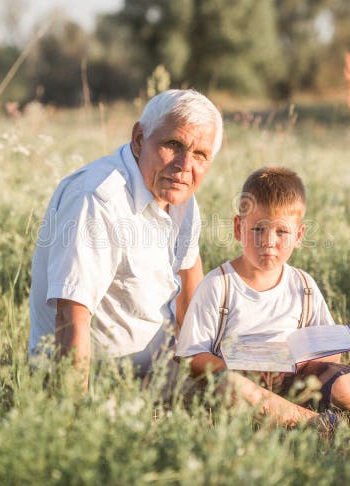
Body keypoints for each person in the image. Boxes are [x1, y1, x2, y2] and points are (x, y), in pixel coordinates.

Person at [176, 167, 350, 427]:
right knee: (232, 388)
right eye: (258, 229)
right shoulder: (219, 286)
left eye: (282, 232)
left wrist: (299, 364)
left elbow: (330, 355)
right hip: (245, 382)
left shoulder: (303, 285)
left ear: (299, 235)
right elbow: (191, 356)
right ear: (239, 228)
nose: (268, 242)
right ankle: (317, 424)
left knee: (348, 385)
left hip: (297, 381)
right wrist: (232, 368)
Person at [28, 89, 222, 392]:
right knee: (235, 389)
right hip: (102, 383)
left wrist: (217, 361)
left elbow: (191, 304)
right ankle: (317, 424)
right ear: (139, 138)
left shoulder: (179, 193)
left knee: (254, 371)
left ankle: (315, 412)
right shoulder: (96, 198)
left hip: (160, 370)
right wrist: (69, 422)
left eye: (200, 155)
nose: (185, 165)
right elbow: (70, 318)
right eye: (174, 144)